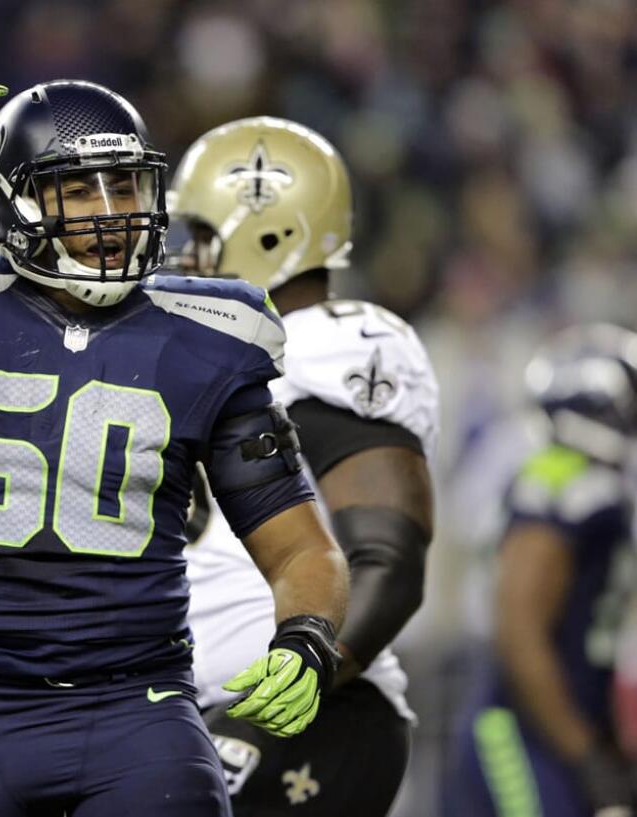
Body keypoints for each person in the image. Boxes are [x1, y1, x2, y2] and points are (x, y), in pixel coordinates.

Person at [0, 79, 349, 817]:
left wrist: (306, 634)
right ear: (13, 204)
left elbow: (304, 549)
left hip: (140, 712)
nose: (111, 213)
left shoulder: (208, 336)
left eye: (126, 185)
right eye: (77, 190)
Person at [169, 117, 439, 816]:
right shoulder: (193, 361)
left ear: (267, 233)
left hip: (311, 713)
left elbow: (386, 555)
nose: (181, 257)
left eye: (199, 236)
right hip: (191, 710)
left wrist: (302, 680)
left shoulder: (326, 345)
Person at [445, 324, 637, 817]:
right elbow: (518, 632)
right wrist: (585, 752)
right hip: (520, 730)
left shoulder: (596, 489)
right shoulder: (562, 484)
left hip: (558, 726)